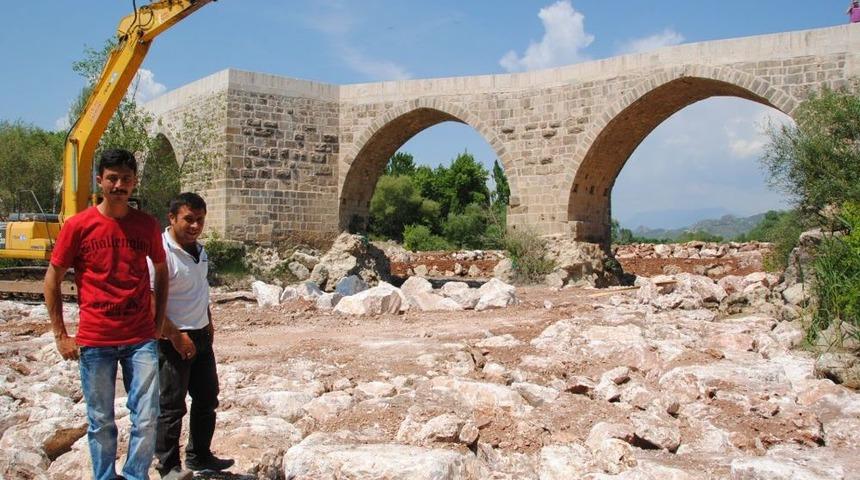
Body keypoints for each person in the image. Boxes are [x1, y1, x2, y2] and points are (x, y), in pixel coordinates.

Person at [44, 148, 169, 480]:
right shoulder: (78, 226)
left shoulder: (146, 225)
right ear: (99, 180)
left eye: (126, 179)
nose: (119, 185)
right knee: (100, 420)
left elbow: (161, 271)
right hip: (96, 340)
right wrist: (60, 334)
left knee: (146, 416)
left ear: (134, 183)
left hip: (140, 337)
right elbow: (51, 280)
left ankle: (134, 475)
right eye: (112, 178)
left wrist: (157, 326)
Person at [149, 192, 234, 478]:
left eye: (200, 220)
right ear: (171, 218)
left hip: (200, 336)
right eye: (188, 220)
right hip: (172, 339)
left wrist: (208, 322)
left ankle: (200, 456)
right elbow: (150, 301)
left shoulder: (200, 250)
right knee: (171, 406)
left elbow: (200, 289)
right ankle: (168, 467)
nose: (195, 226)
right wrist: (175, 335)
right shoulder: (158, 253)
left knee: (207, 397)